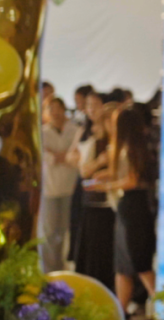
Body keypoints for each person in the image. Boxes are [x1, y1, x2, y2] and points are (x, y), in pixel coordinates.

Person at [89, 105, 156, 315]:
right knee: (122, 266)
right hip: (126, 208)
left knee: (140, 262)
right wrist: (104, 175)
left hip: (134, 208)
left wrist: (106, 186)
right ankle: (120, 311)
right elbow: (122, 173)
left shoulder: (133, 148)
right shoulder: (126, 147)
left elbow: (132, 180)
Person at [72, 95, 116, 291]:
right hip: (92, 202)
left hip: (110, 204)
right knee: (92, 250)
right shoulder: (90, 139)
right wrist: (99, 164)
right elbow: (84, 171)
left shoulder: (115, 142)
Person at [40, 96, 79, 272]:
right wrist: (63, 155)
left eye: (58, 108)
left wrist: (57, 155)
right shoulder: (42, 132)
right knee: (49, 231)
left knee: (63, 230)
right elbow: (46, 157)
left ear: (64, 109)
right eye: (51, 109)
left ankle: (60, 266)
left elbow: (75, 157)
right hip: (49, 188)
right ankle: (49, 269)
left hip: (69, 187)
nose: (55, 112)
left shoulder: (74, 130)